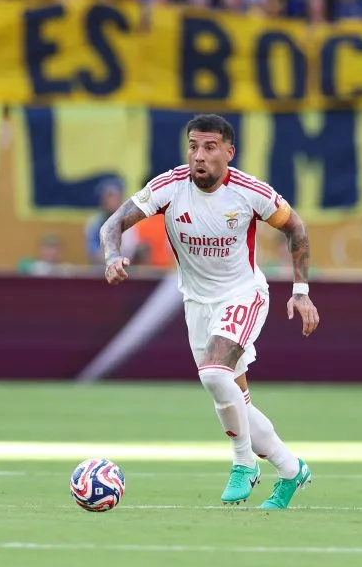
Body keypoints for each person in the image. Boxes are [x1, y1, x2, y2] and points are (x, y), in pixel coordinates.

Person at [99, 114, 319, 509]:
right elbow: (113, 224)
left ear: (229, 152)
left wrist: (300, 291)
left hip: (243, 294)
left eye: (210, 147)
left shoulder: (249, 192)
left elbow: (296, 227)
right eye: (193, 147)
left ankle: (243, 463)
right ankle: (291, 470)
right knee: (237, 399)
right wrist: (112, 254)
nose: (198, 156)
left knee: (214, 375)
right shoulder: (168, 187)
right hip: (196, 303)